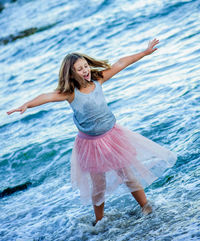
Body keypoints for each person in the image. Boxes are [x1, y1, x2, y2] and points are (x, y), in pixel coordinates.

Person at [7, 39, 177, 224]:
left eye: (85, 66)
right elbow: (47, 96)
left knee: (127, 174)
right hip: (90, 144)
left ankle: (145, 206)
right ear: (71, 74)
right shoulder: (70, 93)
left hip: (112, 136)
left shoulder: (98, 79)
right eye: (79, 69)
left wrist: (144, 53)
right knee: (98, 184)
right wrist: (27, 105)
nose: (85, 71)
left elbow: (120, 63)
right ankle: (100, 221)